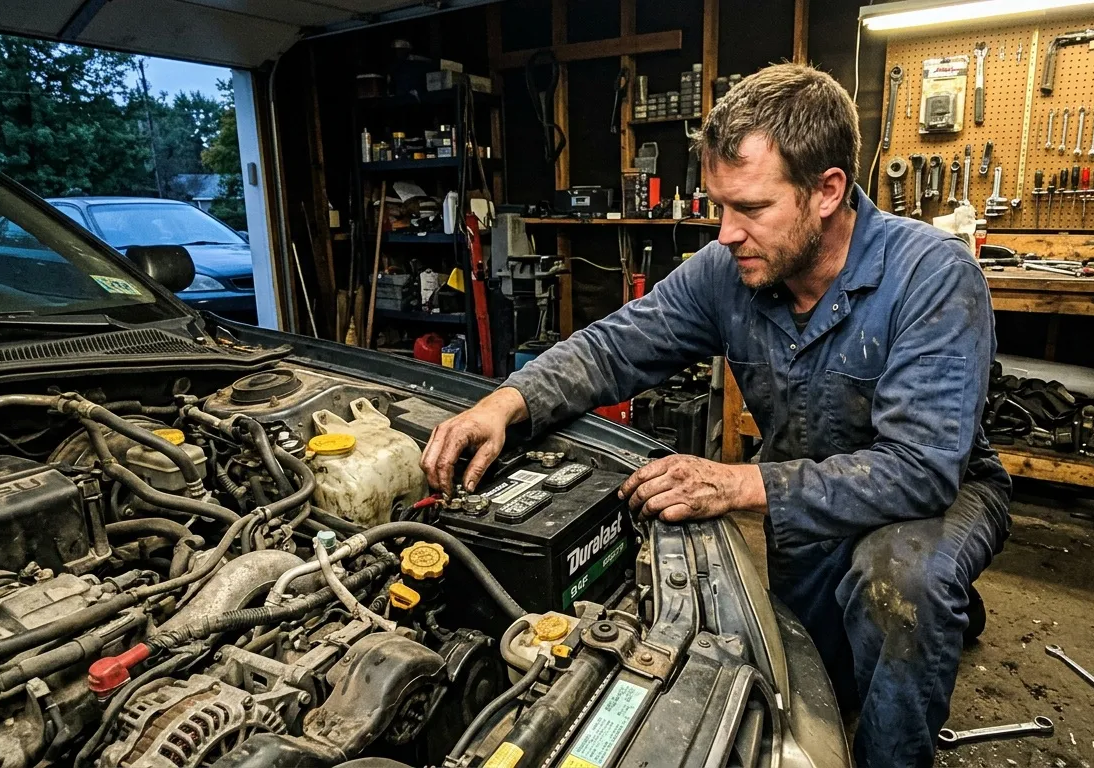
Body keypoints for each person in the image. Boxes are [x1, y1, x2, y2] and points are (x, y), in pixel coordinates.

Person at [420, 62, 1012, 768]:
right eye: (718, 206)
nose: (726, 233)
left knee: (897, 585)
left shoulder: (933, 276)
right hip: (806, 492)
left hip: (940, 494)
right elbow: (618, 343)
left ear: (827, 191)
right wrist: (505, 402)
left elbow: (919, 470)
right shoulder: (729, 268)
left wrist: (733, 485)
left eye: (752, 209)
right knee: (804, 688)